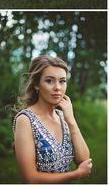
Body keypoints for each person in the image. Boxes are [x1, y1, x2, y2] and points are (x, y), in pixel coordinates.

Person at [13, 55, 92, 184]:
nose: (58, 88)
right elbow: (30, 178)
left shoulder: (63, 117)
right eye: (49, 81)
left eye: (62, 81)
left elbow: (84, 160)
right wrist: (76, 174)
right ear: (36, 84)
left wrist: (71, 121)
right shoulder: (25, 120)